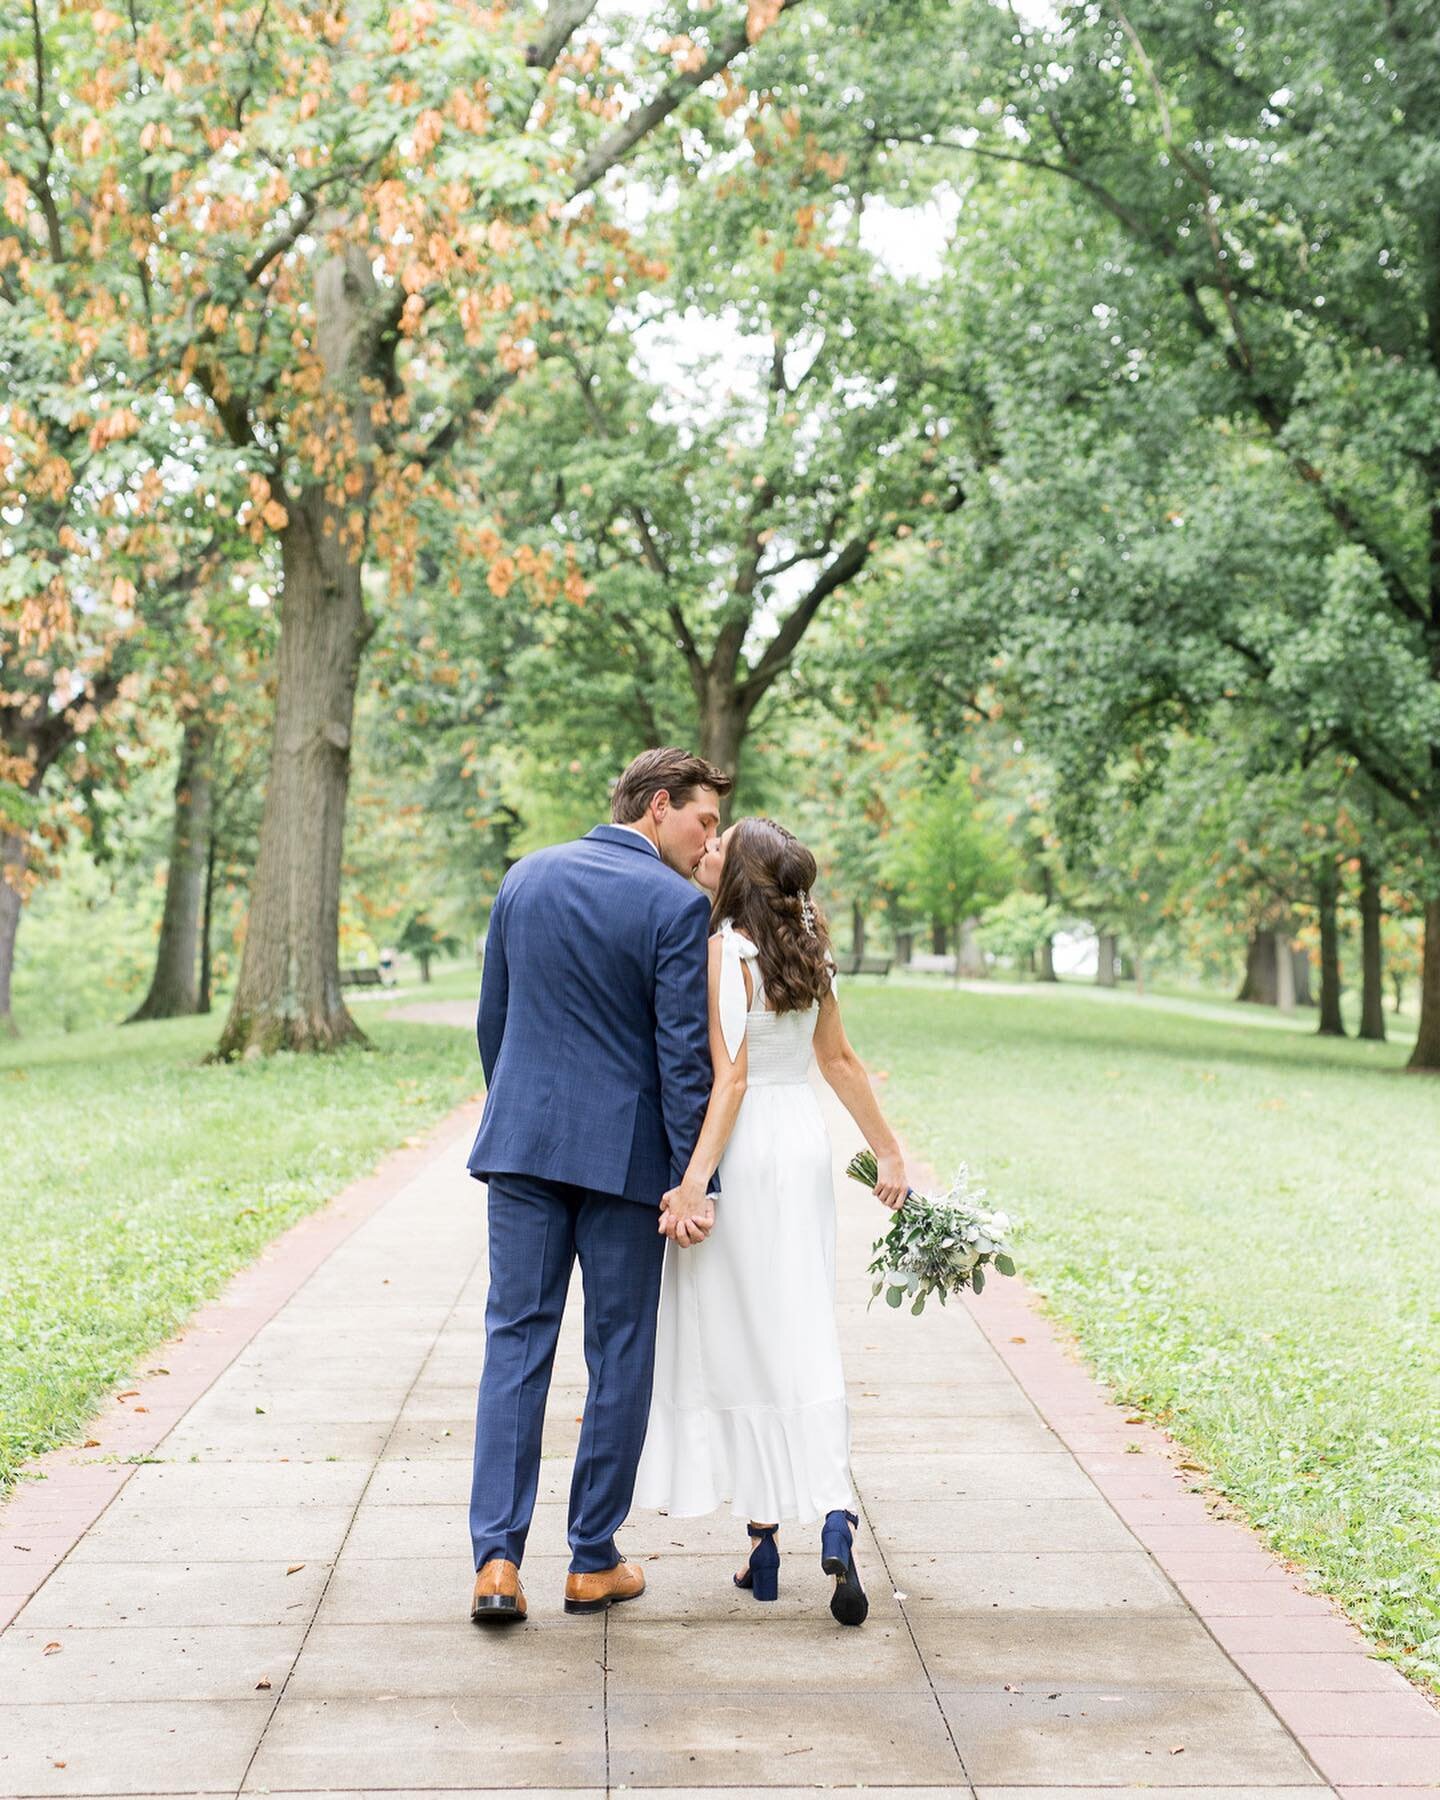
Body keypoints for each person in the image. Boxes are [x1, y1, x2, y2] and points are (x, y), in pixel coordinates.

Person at [465, 747, 732, 1625]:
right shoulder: (673, 905)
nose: (709, 841)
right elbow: (683, 1057)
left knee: (516, 1345)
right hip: (624, 1165)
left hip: (523, 1150)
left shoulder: (525, 878)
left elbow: (493, 1023)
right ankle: (590, 1559)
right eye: (702, 820)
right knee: (619, 1354)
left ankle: (497, 1564)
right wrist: (696, 1180)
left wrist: (520, 1113)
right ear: (659, 806)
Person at [632, 816, 909, 1625]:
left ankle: (762, 1545)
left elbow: (732, 1080)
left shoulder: (724, 953)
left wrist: (691, 1184)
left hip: (747, 1153)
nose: (706, 852)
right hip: (803, 1149)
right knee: (802, 1329)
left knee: (741, 1333)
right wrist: (888, 1153)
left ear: (740, 878)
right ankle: (831, 1511)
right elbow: (839, 1061)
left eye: (721, 848)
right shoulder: (809, 948)